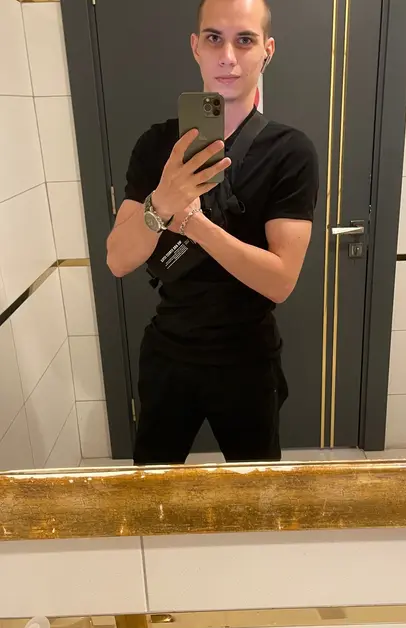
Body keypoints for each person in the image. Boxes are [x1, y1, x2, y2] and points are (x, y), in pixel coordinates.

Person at [106, 0, 319, 465]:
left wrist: (195, 225)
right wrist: (162, 202)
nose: (228, 56)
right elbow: (118, 260)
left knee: (255, 492)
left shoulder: (289, 152)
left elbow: (280, 281)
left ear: (267, 51)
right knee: (152, 489)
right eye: (214, 38)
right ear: (195, 47)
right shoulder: (156, 146)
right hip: (169, 352)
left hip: (248, 358)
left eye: (245, 40)